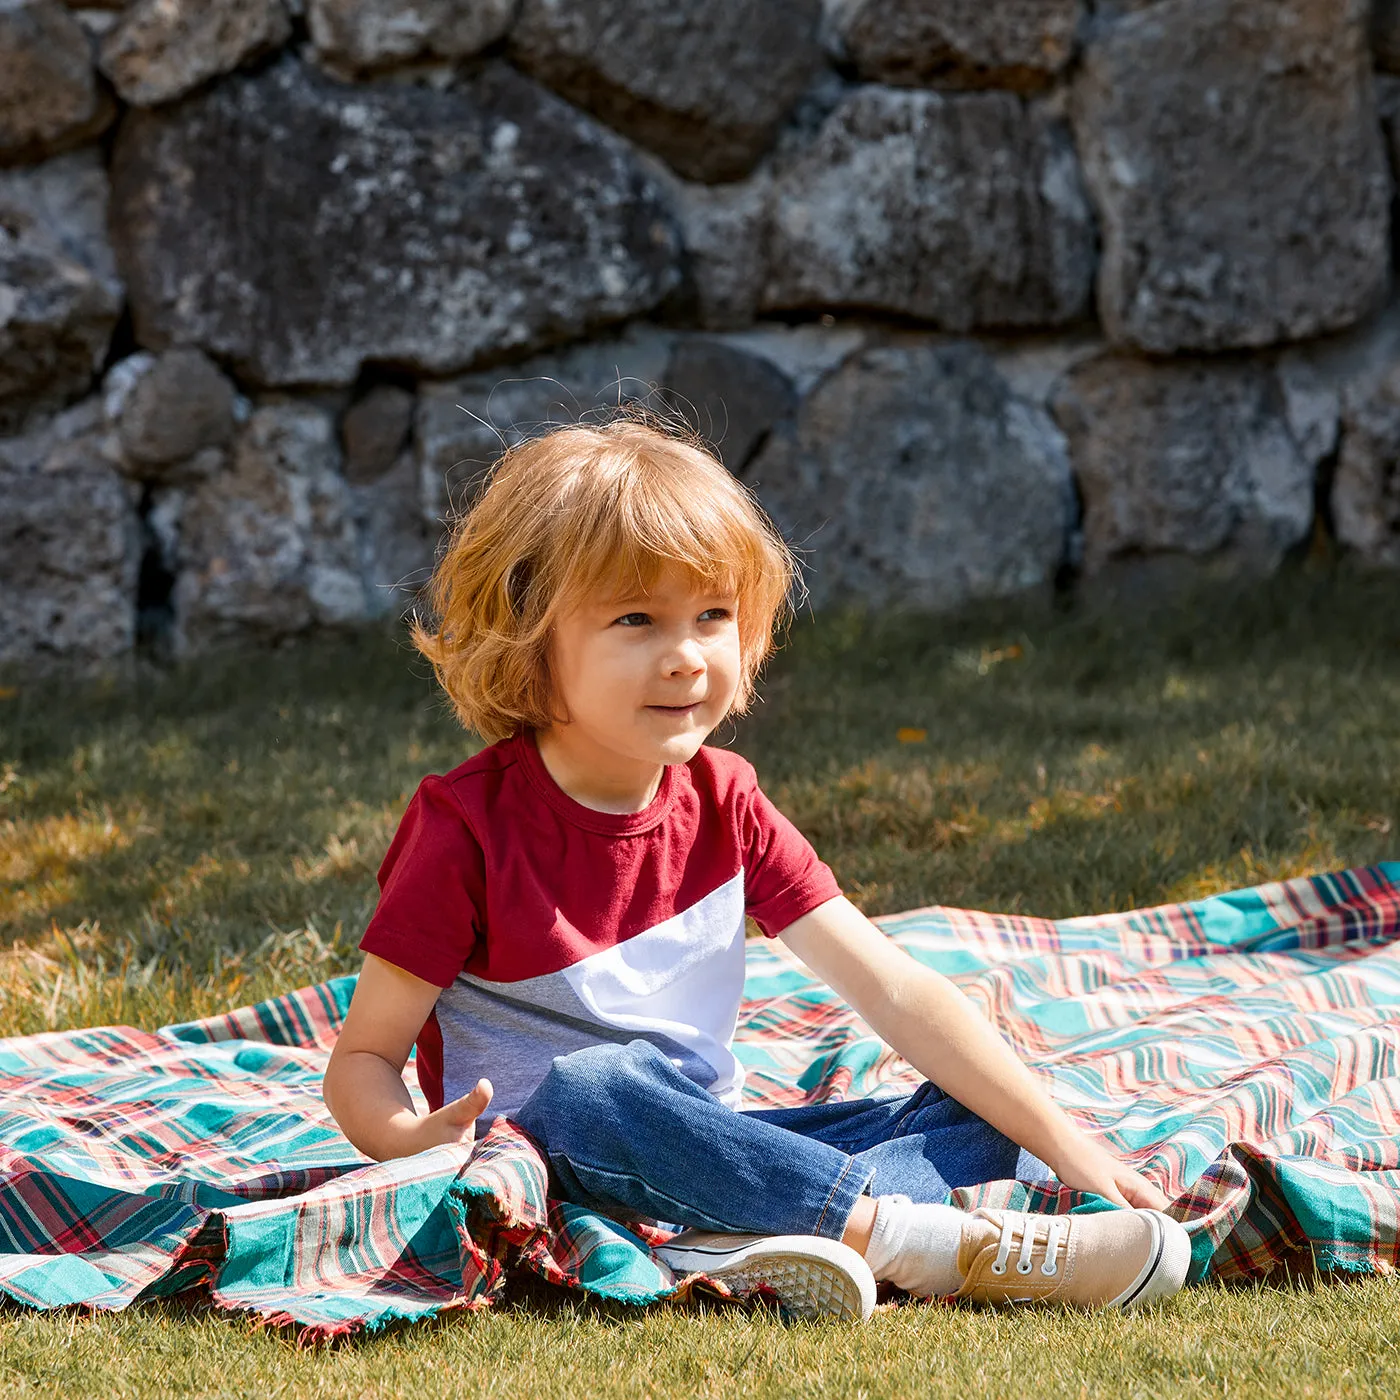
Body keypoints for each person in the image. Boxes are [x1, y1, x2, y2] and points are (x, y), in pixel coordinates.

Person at [322, 412, 1191, 1322]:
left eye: (712, 615)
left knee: (978, 1116)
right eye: (636, 619)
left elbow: (893, 989)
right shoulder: (464, 825)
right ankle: (914, 1242)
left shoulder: (725, 800)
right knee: (593, 1083)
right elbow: (366, 1059)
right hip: (548, 1158)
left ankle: (746, 1235)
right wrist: (411, 1141)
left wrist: (1065, 1145)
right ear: (531, 636)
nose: (687, 655)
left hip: (712, 1149)